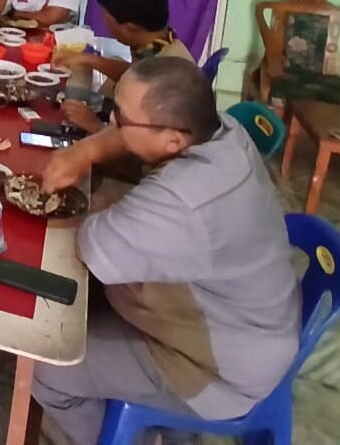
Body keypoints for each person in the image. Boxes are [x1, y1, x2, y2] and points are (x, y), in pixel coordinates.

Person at [34, 57, 301, 445]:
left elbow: (90, 249)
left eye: (120, 120)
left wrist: (101, 210)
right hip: (248, 320)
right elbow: (127, 147)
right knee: (81, 302)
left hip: (215, 370)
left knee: (48, 368)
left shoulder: (186, 199)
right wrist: (86, 151)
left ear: (173, 139)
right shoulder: (220, 128)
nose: (111, 126)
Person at [56, 0, 195, 134]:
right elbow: (133, 72)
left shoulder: (169, 75)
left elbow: (150, 142)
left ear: (129, 28)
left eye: (106, 18)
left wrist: (96, 126)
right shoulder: (161, 42)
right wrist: (87, 59)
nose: (104, 21)